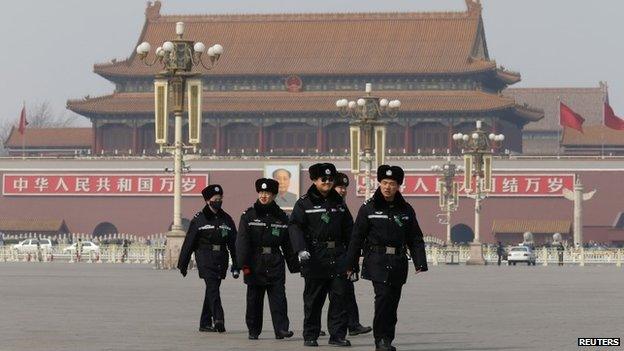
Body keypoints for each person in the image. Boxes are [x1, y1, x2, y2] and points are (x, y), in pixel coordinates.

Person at [347, 165, 428, 351]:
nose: (387, 187)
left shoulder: (406, 210)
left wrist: (420, 262)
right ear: (379, 183)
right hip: (377, 260)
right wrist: (351, 264)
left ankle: (387, 339)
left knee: (392, 302)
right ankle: (381, 340)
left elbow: (415, 237)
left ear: (398, 186)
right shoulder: (368, 208)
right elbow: (356, 237)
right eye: (384, 183)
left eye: (391, 183)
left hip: (398, 262)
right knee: (383, 298)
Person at [289, 163, 353, 347]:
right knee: (313, 300)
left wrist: (353, 255)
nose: (327, 182)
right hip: (315, 257)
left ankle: (337, 335)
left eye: (330, 179)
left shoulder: (339, 202)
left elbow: (349, 229)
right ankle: (310, 335)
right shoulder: (304, 203)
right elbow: (295, 226)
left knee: (339, 298)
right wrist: (300, 248)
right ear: (314, 180)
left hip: (338, 256)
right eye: (323, 179)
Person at [236, 178, 299, 340]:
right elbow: (242, 242)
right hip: (254, 262)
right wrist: (242, 265)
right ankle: (253, 330)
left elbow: (288, 244)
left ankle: (282, 329)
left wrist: (295, 266)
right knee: (254, 300)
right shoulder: (248, 216)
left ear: (274, 195)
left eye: (268, 193)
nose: (264, 196)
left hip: (275, 261)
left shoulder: (282, 218)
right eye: (261, 192)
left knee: (279, 298)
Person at [178, 184, 240, 333]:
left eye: (220, 199)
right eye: (215, 199)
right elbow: (189, 243)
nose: (218, 201)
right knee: (212, 287)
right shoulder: (199, 219)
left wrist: (237, 264)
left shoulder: (227, 219)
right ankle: (218, 318)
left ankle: (204, 323)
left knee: (212, 289)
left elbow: (234, 243)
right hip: (205, 257)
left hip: (221, 259)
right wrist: (183, 264)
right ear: (207, 201)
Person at [333, 172, 372, 336]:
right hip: (324, 256)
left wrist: (353, 258)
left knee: (347, 291)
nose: (342, 190)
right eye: (339, 187)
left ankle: (353, 325)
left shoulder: (342, 206)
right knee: (318, 294)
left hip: (342, 255)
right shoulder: (321, 205)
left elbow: (352, 233)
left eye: (344, 187)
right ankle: (315, 327)